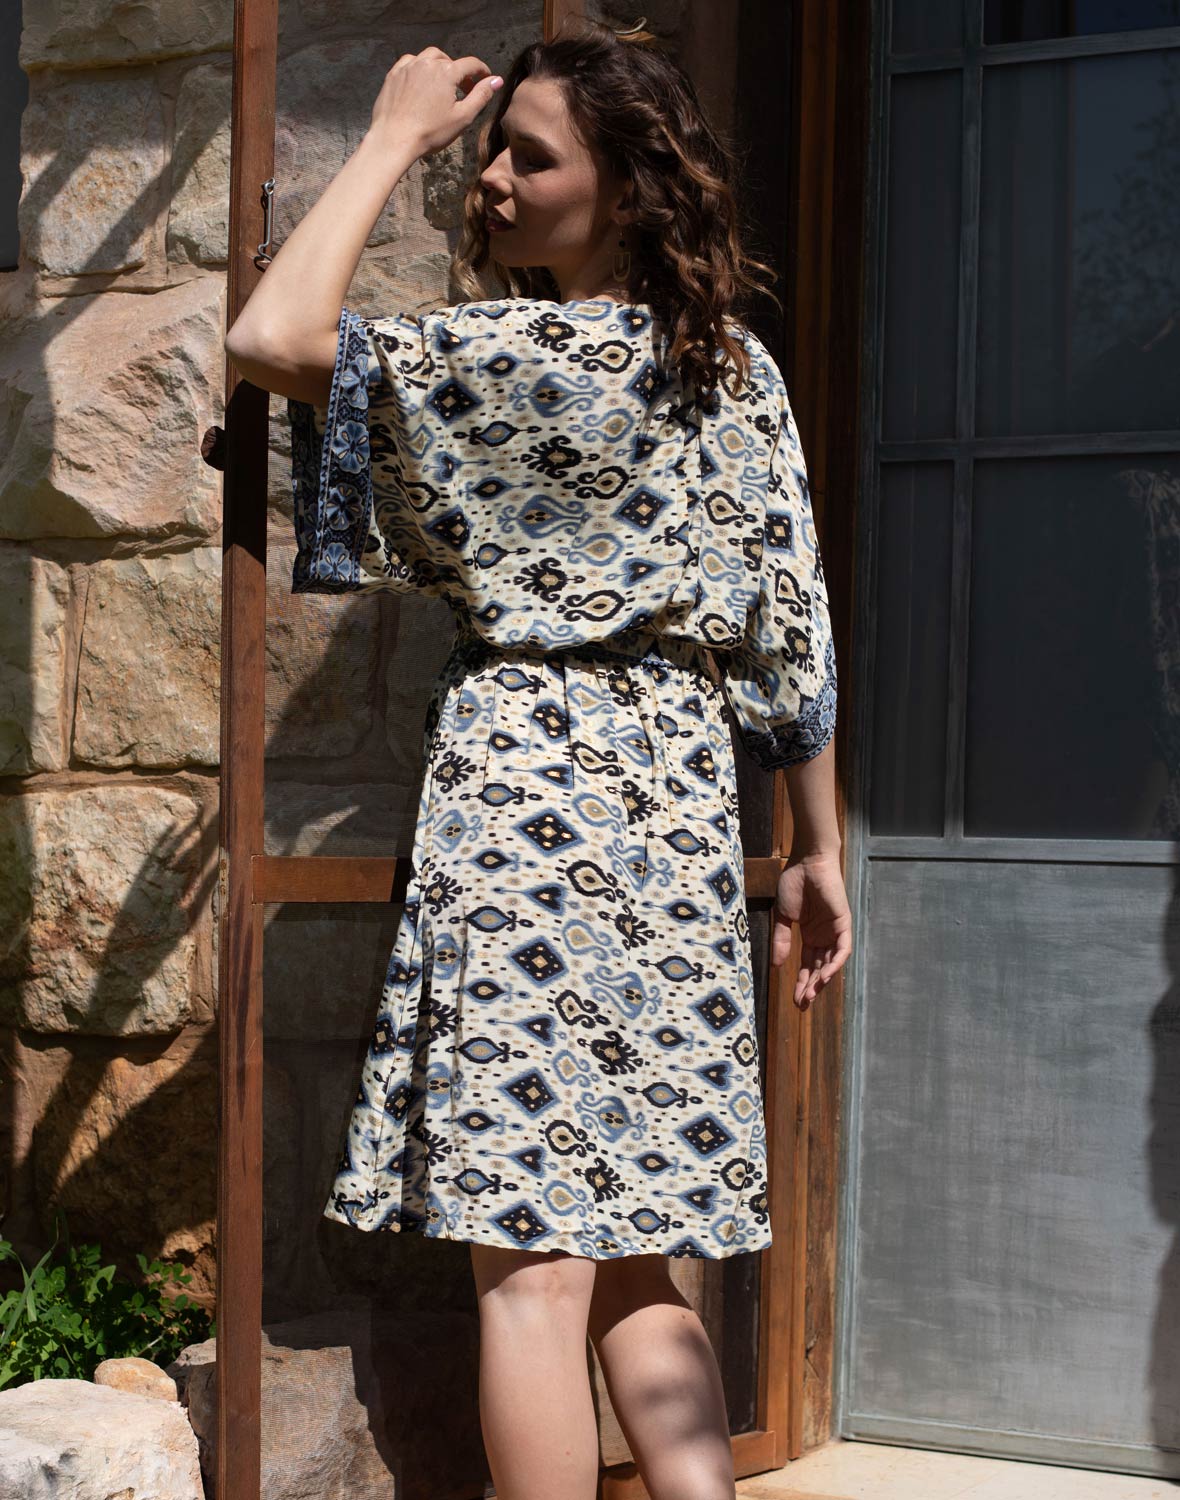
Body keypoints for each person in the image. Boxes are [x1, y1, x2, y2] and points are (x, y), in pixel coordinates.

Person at [225, 16, 853, 1500]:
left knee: (530, 1273)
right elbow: (794, 627)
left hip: (527, 794)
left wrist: (393, 138)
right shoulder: (734, 371)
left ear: (628, 190)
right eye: (490, 152)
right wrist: (817, 847)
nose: (494, 179)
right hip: (681, 804)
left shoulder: (502, 360)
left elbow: (271, 337)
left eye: (531, 156)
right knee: (638, 1256)